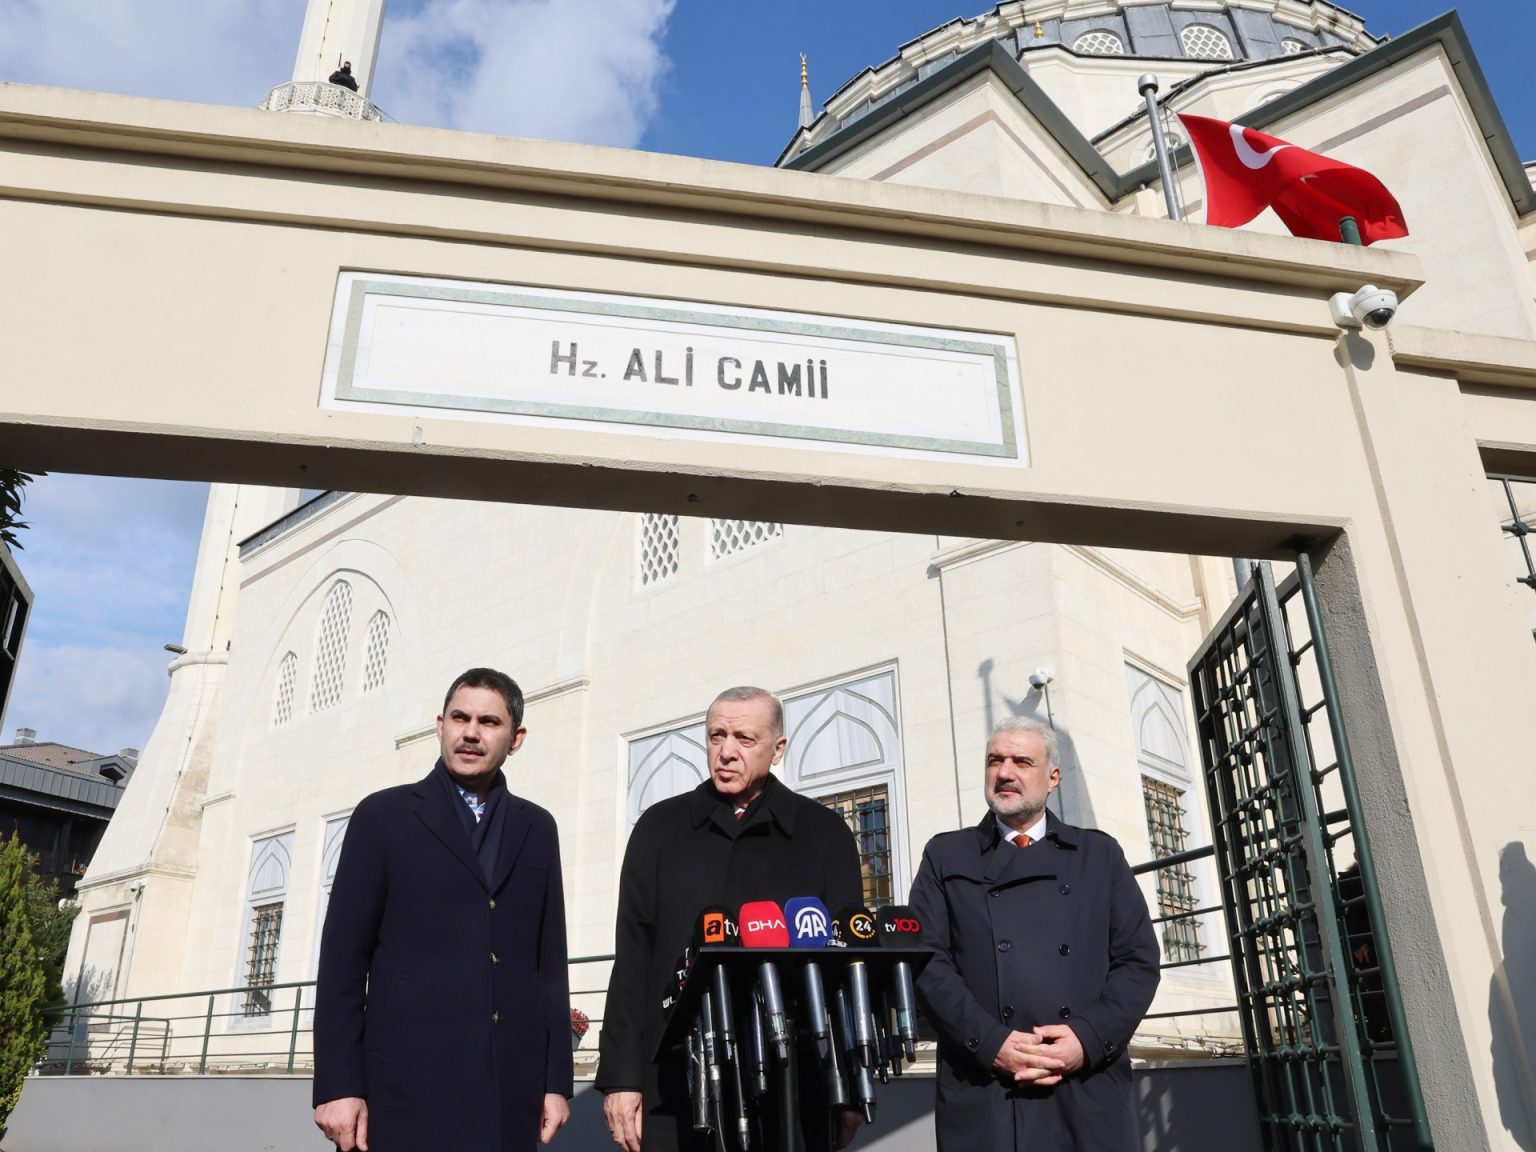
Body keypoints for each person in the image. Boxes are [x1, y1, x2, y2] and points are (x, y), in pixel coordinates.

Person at [313, 667, 572, 1152]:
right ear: (440, 724)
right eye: (460, 717)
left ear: (516, 738)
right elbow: (343, 962)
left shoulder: (537, 827)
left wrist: (555, 1080)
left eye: (489, 723)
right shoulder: (383, 817)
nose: (470, 733)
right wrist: (338, 1085)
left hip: (508, 1091)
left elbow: (548, 963)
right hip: (404, 1089)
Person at [597, 686, 865, 1152]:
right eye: (716, 736)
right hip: (674, 1081)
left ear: (777, 748)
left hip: (793, 1080)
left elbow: (846, 970)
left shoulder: (824, 833)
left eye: (744, 738)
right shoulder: (659, 828)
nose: (726, 752)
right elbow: (633, 957)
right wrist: (622, 1078)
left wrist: (850, 1088)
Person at [908, 717, 1159, 1150]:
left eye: (1022, 761)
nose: (1005, 772)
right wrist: (990, 1042)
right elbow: (928, 961)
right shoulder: (946, 855)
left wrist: (1086, 1038)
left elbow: (1138, 961)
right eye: (994, 760)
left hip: (1085, 1086)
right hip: (986, 1088)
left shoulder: (1098, 855)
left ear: (1053, 777)